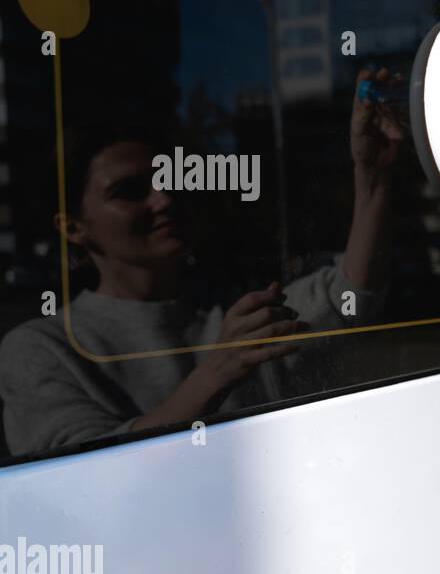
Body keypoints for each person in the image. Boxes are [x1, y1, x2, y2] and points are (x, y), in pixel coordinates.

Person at [0, 69, 403, 457]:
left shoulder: (234, 314)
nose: (164, 199)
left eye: (169, 179)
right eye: (130, 191)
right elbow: (80, 474)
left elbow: (350, 296)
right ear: (73, 228)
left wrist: (374, 175)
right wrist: (218, 372)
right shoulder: (43, 348)